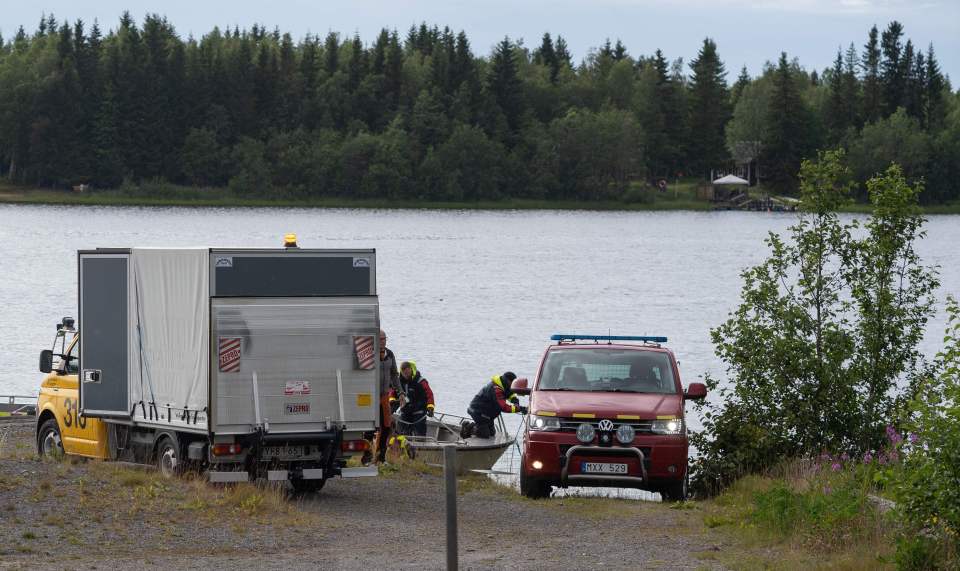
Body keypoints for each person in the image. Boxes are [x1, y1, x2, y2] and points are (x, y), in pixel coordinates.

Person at [364, 329, 399, 465]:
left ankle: (381, 457)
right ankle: (366, 457)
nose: (383, 342)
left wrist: (400, 392)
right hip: (370, 396)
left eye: (385, 339)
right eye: (381, 339)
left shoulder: (390, 354)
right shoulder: (369, 354)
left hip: (384, 396)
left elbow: (395, 374)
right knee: (369, 428)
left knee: (386, 426)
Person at [467, 372, 527, 439]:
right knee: (484, 435)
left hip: (487, 415)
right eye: (512, 384)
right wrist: (519, 409)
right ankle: (469, 428)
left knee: (492, 433)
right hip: (478, 412)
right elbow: (503, 407)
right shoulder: (496, 389)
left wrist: (515, 400)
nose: (512, 386)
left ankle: (477, 427)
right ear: (507, 381)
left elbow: (509, 394)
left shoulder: (503, 386)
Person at [389, 361, 435, 437]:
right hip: (405, 411)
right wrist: (392, 401)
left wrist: (430, 407)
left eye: (407, 373)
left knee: (419, 435)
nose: (406, 375)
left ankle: (420, 446)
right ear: (401, 372)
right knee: (399, 433)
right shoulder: (399, 381)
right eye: (404, 373)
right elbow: (392, 392)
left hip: (419, 412)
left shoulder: (420, 381)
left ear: (411, 370)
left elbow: (429, 394)